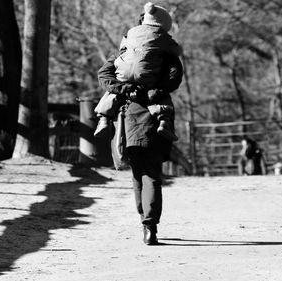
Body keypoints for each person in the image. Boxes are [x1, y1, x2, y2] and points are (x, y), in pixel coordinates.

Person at [97, 12, 183, 245]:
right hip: (156, 116)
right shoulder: (166, 52)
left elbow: (104, 74)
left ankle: (143, 218)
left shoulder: (127, 50)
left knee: (137, 173)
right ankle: (150, 225)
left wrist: (123, 89)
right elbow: (175, 76)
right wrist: (157, 90)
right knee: (152, 175)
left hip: (128, 117)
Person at [94, 2, 182, 142]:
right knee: (160, 96)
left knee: (111, 93)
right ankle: (165, 122)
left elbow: (105, 71)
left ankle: (103, 119)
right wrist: (158, 91)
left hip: (124, 77)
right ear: (165, 24)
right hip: (148, 78)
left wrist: (124, 88)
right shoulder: (164, 37)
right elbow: (176, 62)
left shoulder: (130, 34)